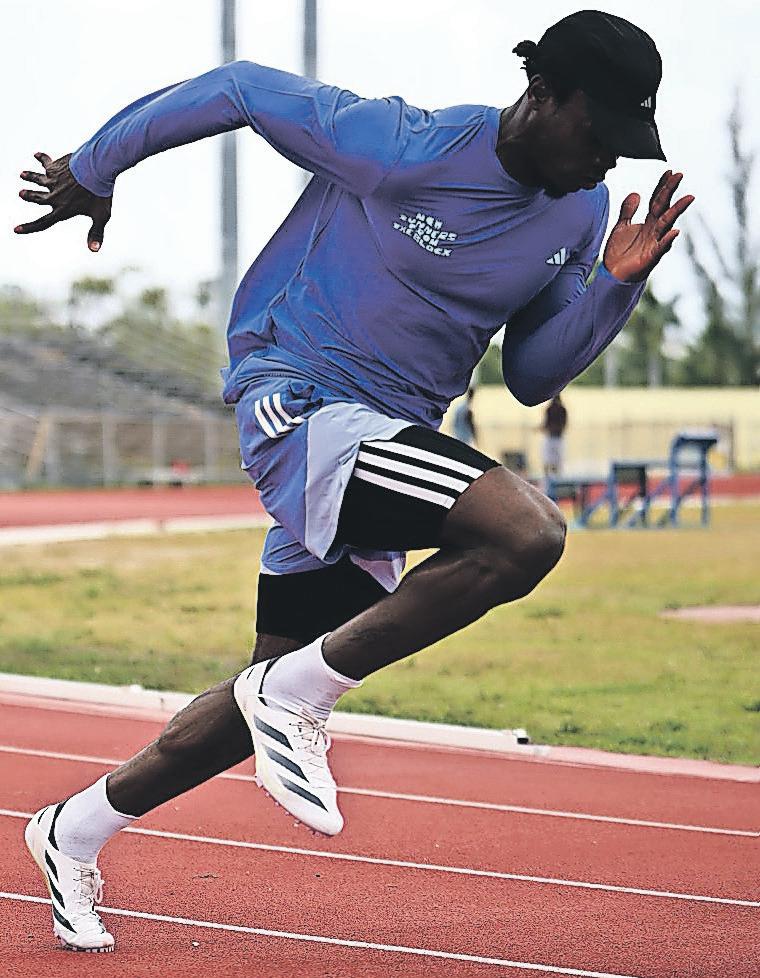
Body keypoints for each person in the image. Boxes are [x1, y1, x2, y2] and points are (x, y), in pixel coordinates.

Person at [15, 10, 693, 953]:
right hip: (299, 401)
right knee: (526, 532)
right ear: (543, 95)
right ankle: (298, 697)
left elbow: (534, 373)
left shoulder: (580, 213)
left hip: (389, 442)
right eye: (600, 132)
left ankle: (75, 827)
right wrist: (95, 168)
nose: (608, 160)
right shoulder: (402, 143)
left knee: (258, 692)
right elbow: (238, 86)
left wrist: (613, 285)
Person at [542, 393, 568, 481]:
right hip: (554, 438)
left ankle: (554, 479)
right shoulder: (553, 410)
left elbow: (547, 424)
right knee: (550, 460)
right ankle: (551, 479)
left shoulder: (558, 410)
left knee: (554, 460)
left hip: (556, 438)